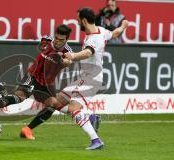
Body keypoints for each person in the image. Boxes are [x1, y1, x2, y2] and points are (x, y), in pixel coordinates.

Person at [22, 7, 128, 150]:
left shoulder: (94, 38)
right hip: (84, 77)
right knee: (56, 101)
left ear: (84, 20)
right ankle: (90, 119)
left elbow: (87, 52)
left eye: (78, 19)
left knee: (73, 107)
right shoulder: (101, 31)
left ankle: (96, 140)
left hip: (92, 78)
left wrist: (72, 56)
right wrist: (123, 26)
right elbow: (114, 33)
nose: (77, 22)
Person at [0, 24, 74, 117]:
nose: (58, 41)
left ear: (66, 40)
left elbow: (67, 61)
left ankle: (28, 129)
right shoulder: (47, 40)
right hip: (33, 76)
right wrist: (55, 56)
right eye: (56, 38)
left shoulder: (68, 51)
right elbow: (42, 47)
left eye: (61, 40)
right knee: (19, 97)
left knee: (53, 104)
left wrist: (62, 60)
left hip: (47, 83)